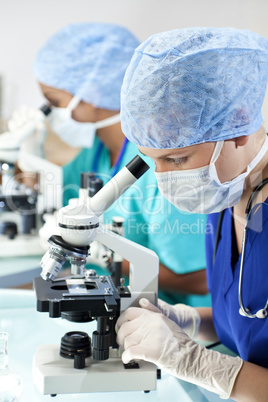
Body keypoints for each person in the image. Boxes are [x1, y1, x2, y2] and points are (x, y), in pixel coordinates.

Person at [116, 27, 268, 400]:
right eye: (154, 161)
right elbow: (245, 324)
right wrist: (186, 323)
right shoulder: (222, 197)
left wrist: (194, 362)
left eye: (177, 157)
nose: (164, 178)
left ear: (239, 125)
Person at [29, 22, 210, 306]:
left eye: (55, 102)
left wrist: (103, 252)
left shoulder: (164, 162)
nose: (53, 115)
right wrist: (26, 154)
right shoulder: (97, 152)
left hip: (184, 325)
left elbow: (202, 279)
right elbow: (58, 196)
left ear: (94, 93)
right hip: (120, 303)